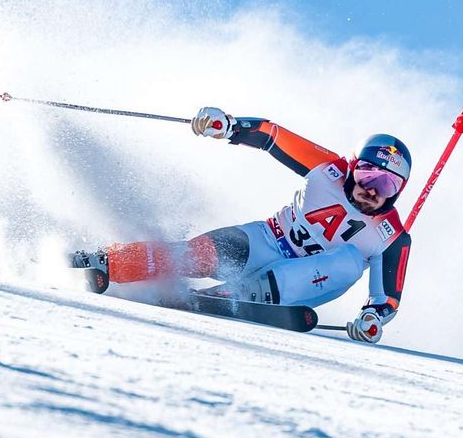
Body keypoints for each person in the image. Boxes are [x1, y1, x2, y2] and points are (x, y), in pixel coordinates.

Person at [72, 107, 412, 343]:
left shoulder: (392, 236)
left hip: (306, 280)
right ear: (353, 166)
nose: (372, 190)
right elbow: (272, 135)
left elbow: (387, 300)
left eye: (387, 185)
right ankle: (105, 262)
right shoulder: (327, 169)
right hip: (266, 240)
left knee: (350, 261)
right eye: (368, 175)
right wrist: (230, 126)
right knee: (194, 255)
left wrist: (372, 318)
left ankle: (235, 297)